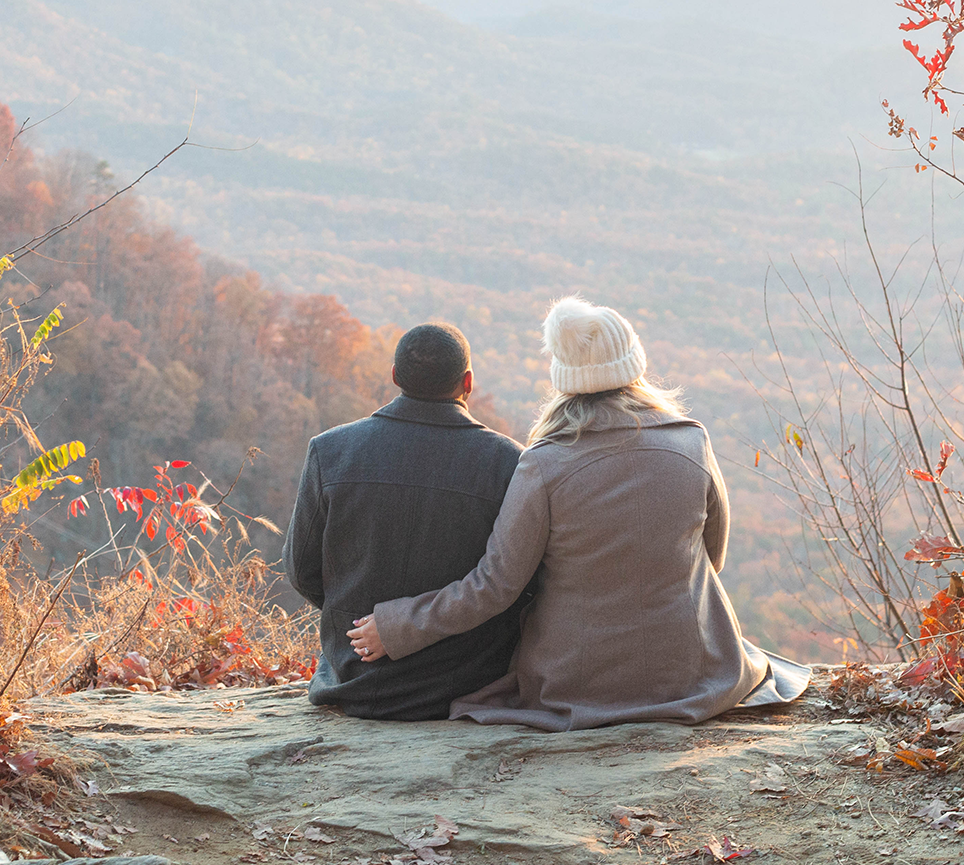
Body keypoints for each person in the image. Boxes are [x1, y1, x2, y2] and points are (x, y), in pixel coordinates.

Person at [347, 295, 808, 730]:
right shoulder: (692, 442)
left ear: (561, 376)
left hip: (579, 683)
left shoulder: (543, 464)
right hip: (693, 673)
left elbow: (495, 586)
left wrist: (399, 626)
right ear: (635, 365)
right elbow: (713, 557)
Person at [283, 322, 527, 720]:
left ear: (395, 377)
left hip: (352, 678)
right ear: (468, 382)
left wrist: (355, 624)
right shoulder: (508, 463)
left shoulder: (329, 451)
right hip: (467, 685)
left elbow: (301, 571)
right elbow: (520, 585)